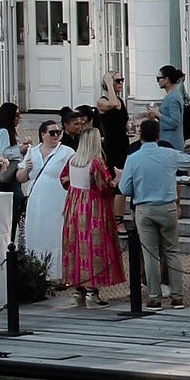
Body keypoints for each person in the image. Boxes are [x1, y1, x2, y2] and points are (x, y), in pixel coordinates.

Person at [117, 117, 190, 307]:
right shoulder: (168, 154)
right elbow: (189, 161)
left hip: (144, 207)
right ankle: (177, 295)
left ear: (141, 135)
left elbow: (125, 189)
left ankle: (155, 296)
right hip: (167, 206)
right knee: (172, 252)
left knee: (150, 254)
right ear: (158, 135)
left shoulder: (133, 158)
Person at [57, 118, 125, 306]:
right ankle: (92, 291)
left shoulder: (73, 160)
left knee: (75, 245)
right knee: (94, 245)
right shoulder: (96, 163)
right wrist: (117, 179)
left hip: (74, 205)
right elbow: (105, 187)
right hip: (93, 207)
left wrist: (75, 190)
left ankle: (78, 287)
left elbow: (63, 179)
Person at [18, 116, 72, 278]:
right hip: (36, 200)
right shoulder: (32, 152)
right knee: (36, 231)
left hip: (57, 198)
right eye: (52, 132)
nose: (56, 135)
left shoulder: (66, 151)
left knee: (55, 232)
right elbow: (20, 178)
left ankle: (59, 273)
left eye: (58, 132)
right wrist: (26, 169)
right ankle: (36, 270)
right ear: (42, 135)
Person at [94, 76, 131, 172]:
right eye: (118, 81)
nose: (121, 83)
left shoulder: (121, 101)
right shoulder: (102, 101)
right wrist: (109, 85)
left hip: (122, 141)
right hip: (110, 142)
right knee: (112, 170)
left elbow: (124, 118)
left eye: (122, 80)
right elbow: (113, 105)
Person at [152, 67, 187, 150]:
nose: (158, 81)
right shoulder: (172, 95)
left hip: (171, 142)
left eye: (159, 78)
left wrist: (158, 114)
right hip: (168, 141)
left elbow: (175, 122)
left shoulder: (173, 97)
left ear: (166, 79)